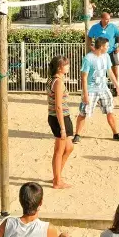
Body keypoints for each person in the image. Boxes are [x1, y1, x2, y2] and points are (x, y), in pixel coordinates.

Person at [73, 37, 119, 143]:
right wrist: (85, 94)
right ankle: (77, 135)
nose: (108, 47)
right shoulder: (88, 58)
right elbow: (83, 77)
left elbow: (109, 72)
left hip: (104, 88)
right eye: (107, 46)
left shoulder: (106, 56)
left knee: (110, 111)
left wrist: (117, 85)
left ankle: (115, 133)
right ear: (101, 47)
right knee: (83, 112)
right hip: (91, 90)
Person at [47, 56, 75, 189]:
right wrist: (62, 128)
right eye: (66, 65)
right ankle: (57, 181)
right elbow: (58, 106)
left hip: (62, 117)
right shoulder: (58, 82)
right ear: (59, 67)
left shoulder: (54, 80)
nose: (68, 66)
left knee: (69, 147)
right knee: (59, 150)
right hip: (59, 118)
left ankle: (57, 175)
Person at [86, 12, 119, 83]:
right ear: (102, 19)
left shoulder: (113, 26)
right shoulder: (95, 27)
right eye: (106, 19)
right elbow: (89, 37)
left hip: (112, 51)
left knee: (115, 71)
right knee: (99, 71)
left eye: (109, 19)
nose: (108, 21)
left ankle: (116, 87)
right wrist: (91, 46)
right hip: (100, 53)